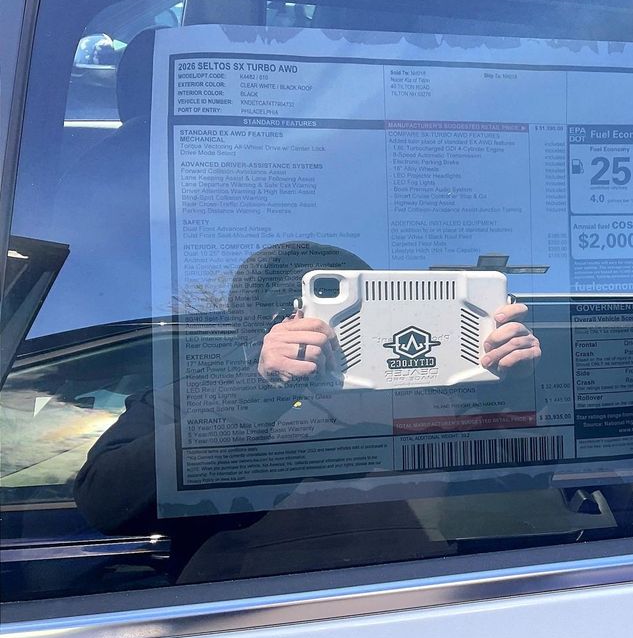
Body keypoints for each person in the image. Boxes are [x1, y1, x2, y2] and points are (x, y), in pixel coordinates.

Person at [74, 241, 541, 582]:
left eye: (346, 304)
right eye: (295, 308)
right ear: (263, 324)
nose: (315, 325)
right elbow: (104, 502)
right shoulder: (198, 392)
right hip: (238, 623)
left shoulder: (433, 384)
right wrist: (259, 388)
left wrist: (514, 387)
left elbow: (526, 483)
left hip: (422, 606)